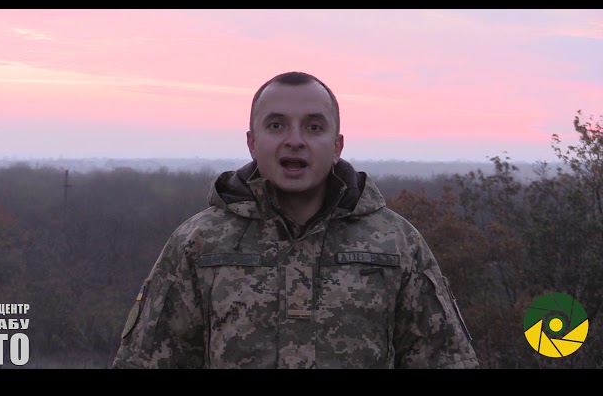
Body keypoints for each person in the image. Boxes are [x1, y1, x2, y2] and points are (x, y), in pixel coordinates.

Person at [112, 71, 480, 369]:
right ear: (252, 143)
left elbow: (445, 359)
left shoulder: (396, 242)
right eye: (276, 126)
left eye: (314, 127)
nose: (295, 140)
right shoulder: (198, 242)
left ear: (336, 146)